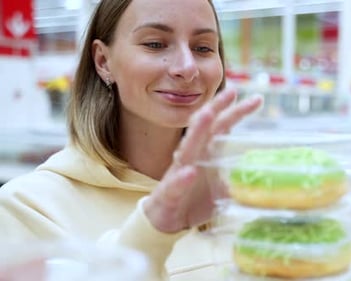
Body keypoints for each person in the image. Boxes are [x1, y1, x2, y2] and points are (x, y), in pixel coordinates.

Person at [0, 0, 262, 280]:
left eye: (203, 48)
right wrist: (153, 229)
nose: (186, 67)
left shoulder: (241, 195)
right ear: (103, 61)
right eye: (155, 44)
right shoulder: (28, 207)